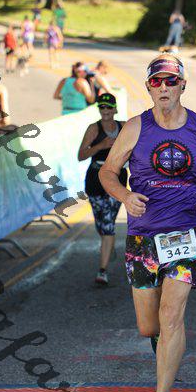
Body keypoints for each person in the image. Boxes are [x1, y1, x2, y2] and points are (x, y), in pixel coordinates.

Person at [100, 53, 196, 392]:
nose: (164, 87)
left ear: (182, 86)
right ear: (148, 87)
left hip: (186, 233)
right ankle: (165, 348)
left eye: (171, 81)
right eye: (156, 81)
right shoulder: (134, 128)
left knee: (171, 314)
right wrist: (125, 195)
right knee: (150, 327)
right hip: (143, 237)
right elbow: (108, 172)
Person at [78, 93, 127, 285]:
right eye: (102, 107)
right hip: (95, 180)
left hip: (117, 179)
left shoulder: (124, 127)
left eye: (108, 107)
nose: (105, 110)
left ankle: (102, 271)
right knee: (101, 223)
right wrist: (101, 145)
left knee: (107, 224)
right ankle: (108, 243)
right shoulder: (94, 128)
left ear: (115, 109)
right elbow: (81, 155)